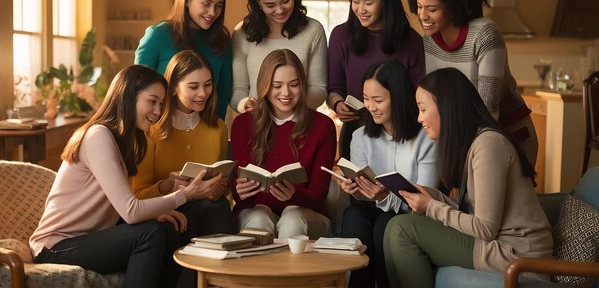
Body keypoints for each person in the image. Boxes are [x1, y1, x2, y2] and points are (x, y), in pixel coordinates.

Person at [30, 65, 220, 288]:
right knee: (150, 233)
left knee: (170, 228)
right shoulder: (98, 136)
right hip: (56, 247)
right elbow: (130, 211)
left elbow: (118, 208)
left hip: (91, 239)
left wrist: (158, 212)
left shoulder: (127, 142)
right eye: (152, 101)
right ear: (128, 98)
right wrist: (184, 195)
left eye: (161, 104)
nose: (158, 111)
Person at [383, 67, 553, 288]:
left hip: (516, 255)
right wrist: (431, 197)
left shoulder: (489, 145)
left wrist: (431, 207)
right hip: (498, 245)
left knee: (402, 229)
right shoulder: (473, 143)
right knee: (391, 229)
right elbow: (473, 211)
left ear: (446, 107)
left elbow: (485, 228)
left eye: (423, 109)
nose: (419, 118)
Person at [403, 0, 538, 165]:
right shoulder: (428, 41)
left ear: (453, 6)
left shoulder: (485, 34)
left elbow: (488, 108)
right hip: (462, 138)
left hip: (507, 133)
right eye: (419, 7)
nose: (422, 16)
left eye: (432, 9)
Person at [336, 59, 437, 288]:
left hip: (413, 213)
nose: (370, 107)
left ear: (399, 98)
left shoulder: (426, 137)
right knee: (354, 214)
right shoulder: (360, 136)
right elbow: (363, 196)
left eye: (378, 100)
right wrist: (354, 188)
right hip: (374, 206)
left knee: (386, 223)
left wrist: (385, 197)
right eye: (366, 99)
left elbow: (426, 200)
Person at [231, 49, 336, 239]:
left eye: (294, 84)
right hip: (255, 212)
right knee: (258, 218)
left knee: (292, 218)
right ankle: (258, 270)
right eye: (276, 85)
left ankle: (287, 270)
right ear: (264, 86)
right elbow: (240, 197)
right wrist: (241, 191)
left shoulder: (323, 125)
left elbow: (318, 195)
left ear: (303, 85)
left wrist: (293, 195)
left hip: (307, 215)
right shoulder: (243, 124)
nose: (286, 93)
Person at [134, 50, 234, 243]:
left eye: (208, 85)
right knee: (201, 214)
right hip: (162, 209)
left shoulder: (219, 128)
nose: (203, 93)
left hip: (207, 208)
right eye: (193, 87)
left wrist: (220, 188)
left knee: (218, 206)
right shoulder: (151, 128)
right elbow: (137, 195)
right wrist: (167, 185)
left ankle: (216, 271)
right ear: (172, 88)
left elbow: (222, 186)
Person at [327, 0, 425, 160]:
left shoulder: (411, 41)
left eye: (368, 3)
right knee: (356, 189)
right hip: (356, 134)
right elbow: (333, 89)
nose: (360, 9)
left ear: (386, 2)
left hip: (401, 137)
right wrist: (338, 104)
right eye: (355, 2)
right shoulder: (340, 36)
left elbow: (419, 96)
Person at [135, 0, 232, 119]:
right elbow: (136, 90)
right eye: (206, 4)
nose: (213, 12)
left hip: (204, 131)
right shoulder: (158, 35)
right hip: (160, 129)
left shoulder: (222, 41)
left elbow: (223, 94)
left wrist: (214, 132)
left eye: (219, 5)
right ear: (186, 0)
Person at [230, 0, 327, 113]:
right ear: (258, 2)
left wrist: (288, 106)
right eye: (270, 5)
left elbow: (319, 89)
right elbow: (238, 89)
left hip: (300, 124)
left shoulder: (313, 31)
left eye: (286, 1)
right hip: (257, 123)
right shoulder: (242, 32)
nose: (280, 10)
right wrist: (245, 104)